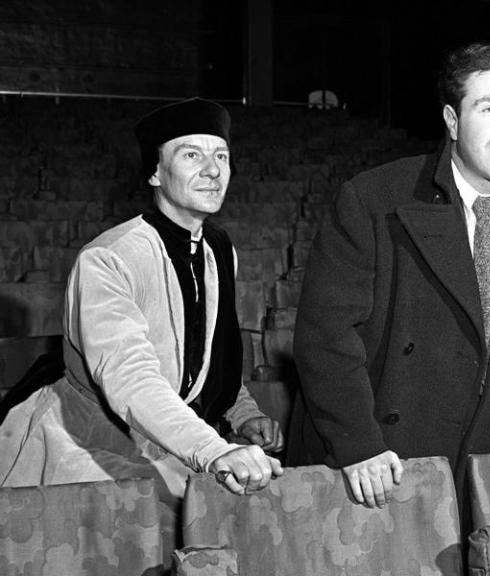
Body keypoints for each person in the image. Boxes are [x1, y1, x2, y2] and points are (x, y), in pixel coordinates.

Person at [288, 43, 490, 512]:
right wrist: (359, 445)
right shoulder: (374, 200)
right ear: (452, 121)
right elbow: (326, 337)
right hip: (379, 460)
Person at [0, 98, 284, 550]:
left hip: (169, 436)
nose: (213, 170)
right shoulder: (109, 258)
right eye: (191, 155)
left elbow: (207, 359)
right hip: (91, 440)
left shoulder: (218, 249)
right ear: (155, 173)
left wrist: (243, 413)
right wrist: (215, 449)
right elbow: (131, 380)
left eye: (222, 156)